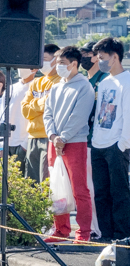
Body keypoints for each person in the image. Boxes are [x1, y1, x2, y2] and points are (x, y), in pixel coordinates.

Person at [42, 45, 97, 243]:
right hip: (55, 142)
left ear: (74, 64)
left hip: (75, 143)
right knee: (56, 187)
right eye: (57, 63)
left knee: (79, 189)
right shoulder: (55, 87)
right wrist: (53, 136)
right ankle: (61, 230)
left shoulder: (84, 86)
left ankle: (83, 233)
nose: (58, 67)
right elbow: (47, 114)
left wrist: (62, 138)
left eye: (62, 63)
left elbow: (79, 117)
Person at [89, 37, 130, 241]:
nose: (99, 61)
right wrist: (95, 138)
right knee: (101, 194)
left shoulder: (128, 81)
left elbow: (128, 114)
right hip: (99, 144)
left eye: (103, 57)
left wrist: (123, 143)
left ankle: (122, 236)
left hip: (117, 145)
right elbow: (98, 114)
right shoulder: (104, 82)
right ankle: (106, 236)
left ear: (115, 57)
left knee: (120, 193)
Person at [21, 43, 62, 182]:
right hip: (32, 136)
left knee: (46, 180)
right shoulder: (36, 82)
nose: (41, 63)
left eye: (44, 58)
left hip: (49, 136)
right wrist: (42, 103)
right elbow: (25, 110)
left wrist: (35, 104)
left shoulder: (61, 81)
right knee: (30, 181)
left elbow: (52, 105)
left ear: (55, 60)